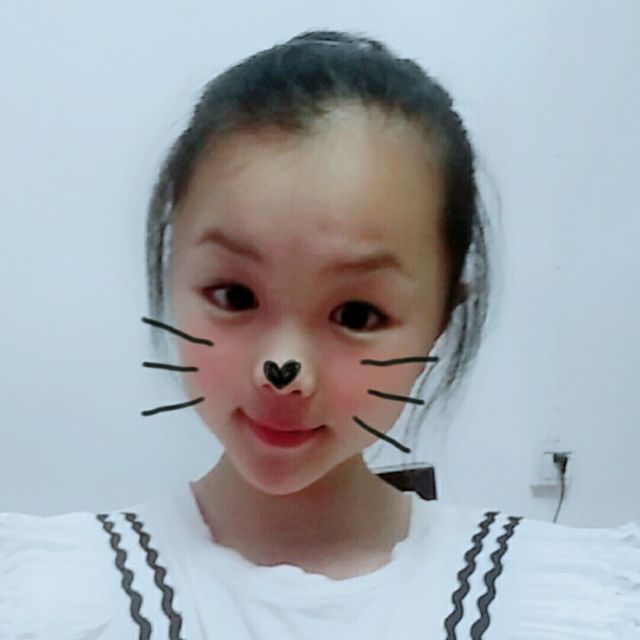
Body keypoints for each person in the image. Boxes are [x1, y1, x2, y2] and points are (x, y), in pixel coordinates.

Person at [1, 29, 638, 640]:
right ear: (173, 277)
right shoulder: (53, 599)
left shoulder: (559, 602)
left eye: (356, 315)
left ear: (443, 316)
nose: (282, 369)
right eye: (234, 296)